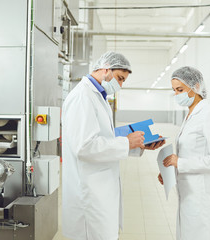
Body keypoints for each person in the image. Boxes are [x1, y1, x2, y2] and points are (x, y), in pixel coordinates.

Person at [62, 51, 165, 240]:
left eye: (123, 80)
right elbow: (84, 147)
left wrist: (137, 145)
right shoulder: (82, 97)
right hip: (88, 193)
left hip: (100, 188)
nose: (120, 85)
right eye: (119, 78)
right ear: (105, 69)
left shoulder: (98, 97)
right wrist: (126, 142)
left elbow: (105, 138)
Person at [158, 66, 210, 240]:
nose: (177, 95)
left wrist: (180, 163)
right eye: (174, 91)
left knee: (201, 233)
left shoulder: (209, 114)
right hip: (188, 192)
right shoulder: (190, 114)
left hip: (202, 193)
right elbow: (189, 152)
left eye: (180, 90)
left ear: (195, 86)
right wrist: (169, 172)